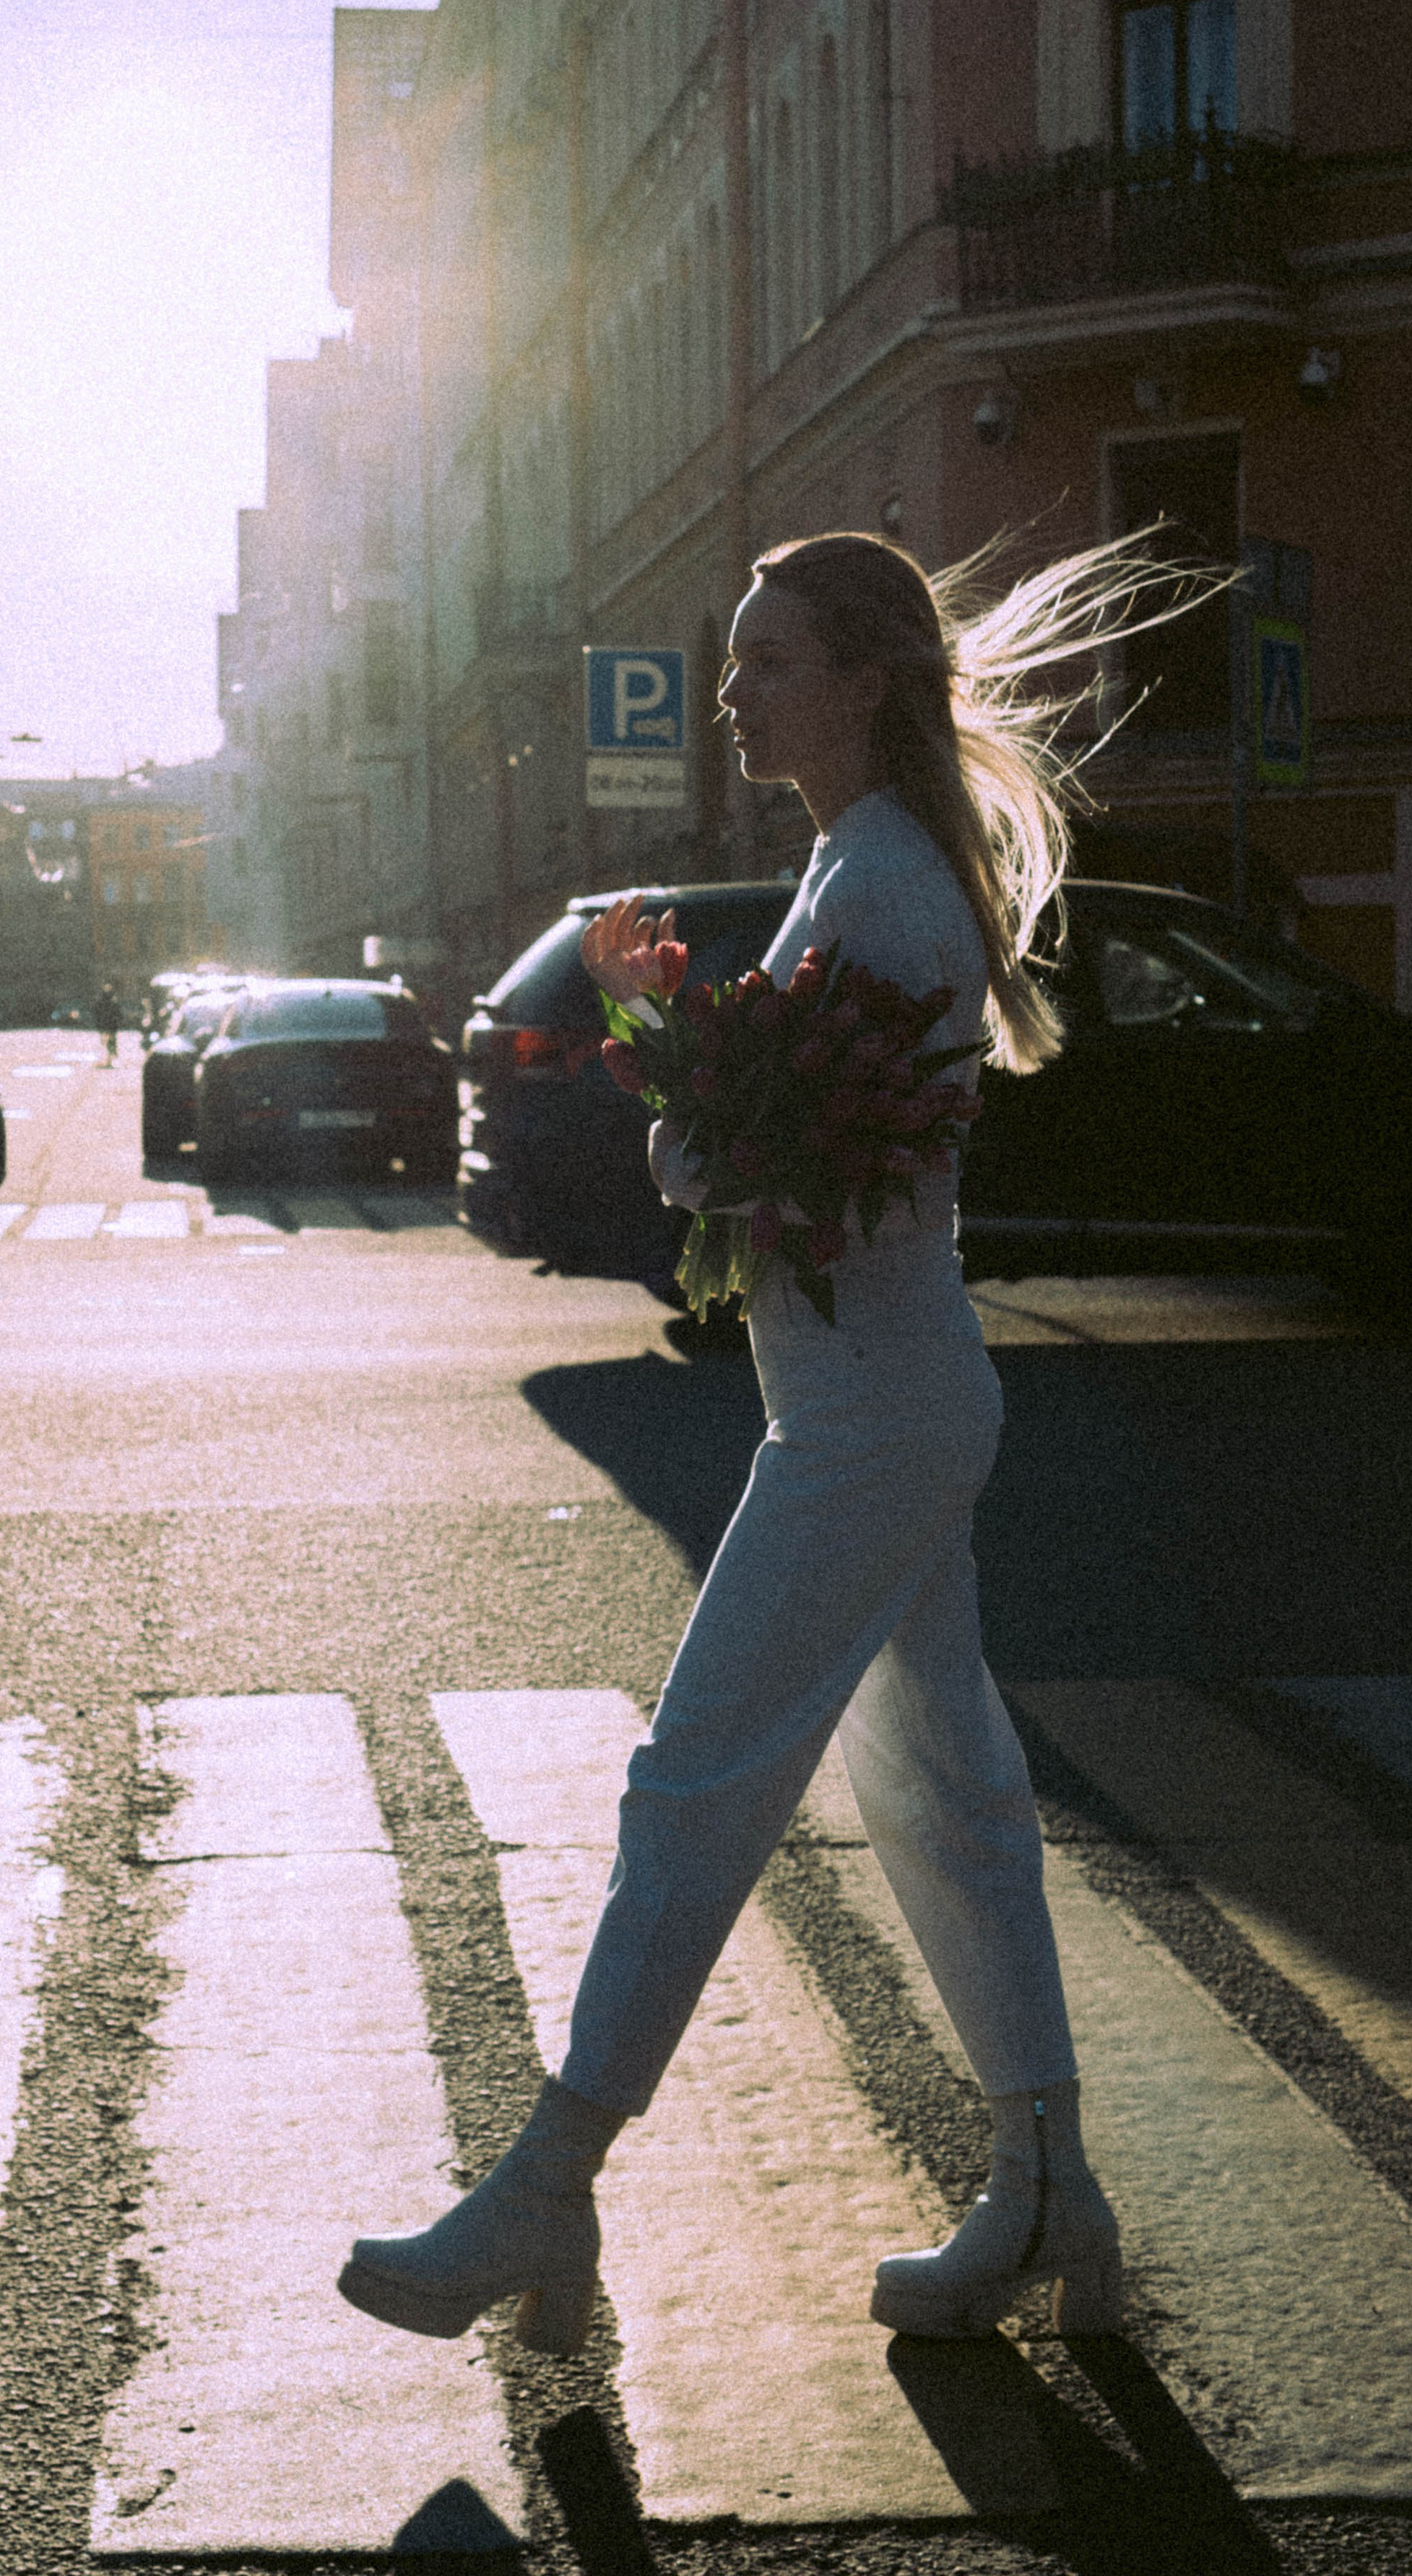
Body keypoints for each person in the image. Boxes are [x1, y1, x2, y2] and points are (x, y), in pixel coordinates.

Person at [339, 527, 1205, 2359]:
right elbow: (780, 1131)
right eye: (732, 661)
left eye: (766, 660)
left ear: (863, 678)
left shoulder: (883, 882)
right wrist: (672, 1031)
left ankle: (548, 2182)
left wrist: (676, 1100)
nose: (733, 689)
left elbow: (797, 1171)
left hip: (873, 1413)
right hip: (870, 1398)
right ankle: (1043, 2183)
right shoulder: (850, 863)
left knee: (700, 1771)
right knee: (946, 1798)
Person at [95, 980, 122, 1065]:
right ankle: (107, 1059)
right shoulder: (101, 999)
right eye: (106, 987)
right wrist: (98, 1022)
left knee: (111, 1041)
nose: (108, 989)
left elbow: (118, 1012)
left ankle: (110, 1059)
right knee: (105, 1041)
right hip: (104, 1023)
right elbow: (98, 1011)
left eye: (109, 987)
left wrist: (118, 1021)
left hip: (112, 1023)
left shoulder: (114, 1000)